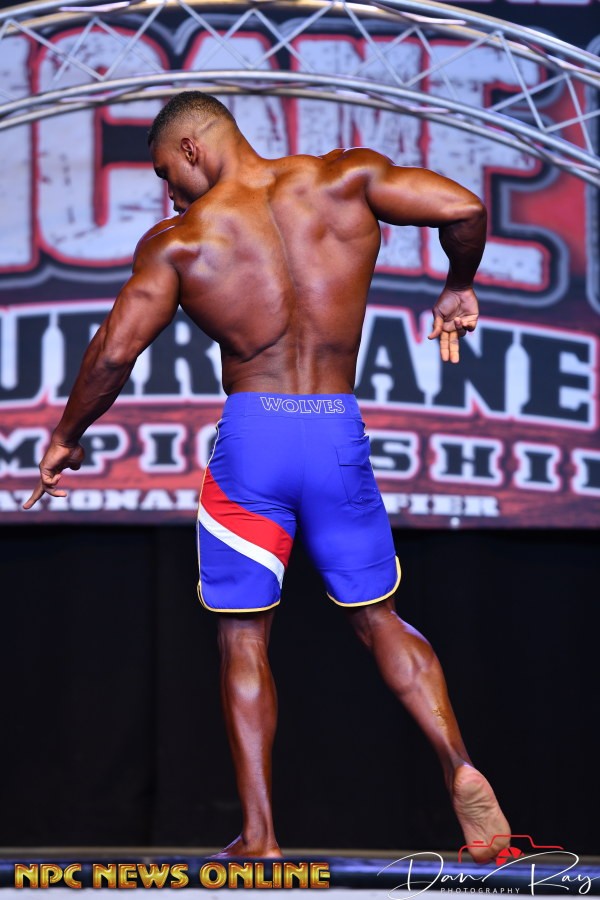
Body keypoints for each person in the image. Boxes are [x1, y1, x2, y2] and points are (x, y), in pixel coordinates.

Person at [25, 91, 510, 863]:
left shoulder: (183, 240)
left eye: (167, 172)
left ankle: (260, 834)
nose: (169, 194)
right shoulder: (344, 180)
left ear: (192, 148)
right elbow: (463, 207)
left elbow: (115, 351)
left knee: (243, 637)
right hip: (336, 431)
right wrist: (459, 282)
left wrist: (65, 436)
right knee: (380, 618)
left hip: (255, 440)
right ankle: (459, 764)